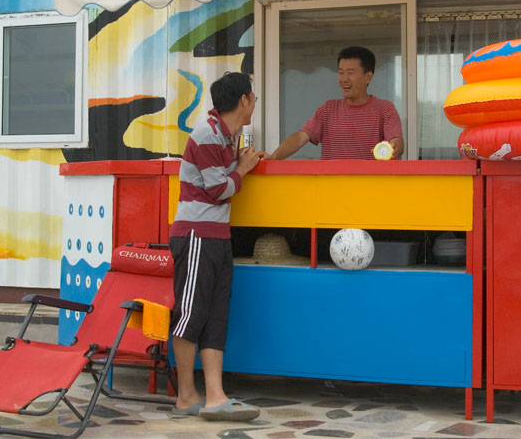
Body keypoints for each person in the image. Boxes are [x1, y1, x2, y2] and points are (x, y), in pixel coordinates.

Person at [169, 71, 262, 422]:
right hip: (197, 234)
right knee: (191, 314)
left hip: (217, 235)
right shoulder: (208, 134)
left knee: (215, 317)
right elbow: (217, 189)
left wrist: (240, 163)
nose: (255, 103)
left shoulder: (227, 136)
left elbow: (221, 180)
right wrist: (243, 168)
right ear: (243, 100)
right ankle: (185, 396)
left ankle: (214, 396)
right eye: (253, 97)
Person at [267, 46, 405, 160]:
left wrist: (394, 147)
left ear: (368, 77)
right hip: (331, 184)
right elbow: (300, 138)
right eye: (341, 72)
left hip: (370, 184)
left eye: (350, 73)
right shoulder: (327, 109)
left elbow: (396, 141)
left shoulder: (384, 109)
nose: (344, 79)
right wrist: (273, 157)